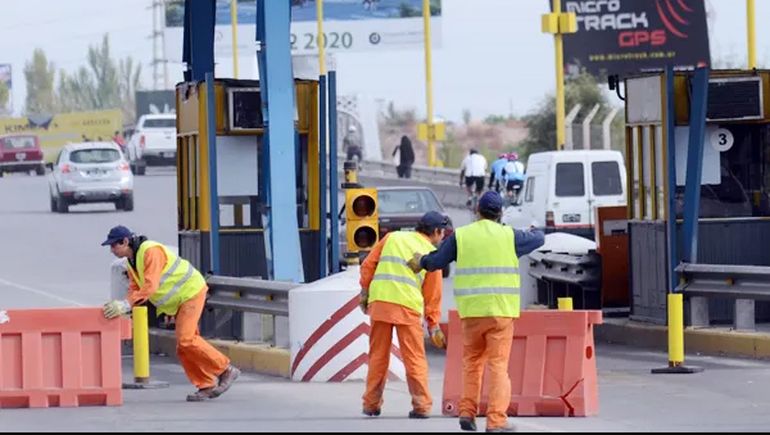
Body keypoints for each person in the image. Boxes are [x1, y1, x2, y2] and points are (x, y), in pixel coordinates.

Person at [407, 192, 544, 432]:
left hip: (471, 313)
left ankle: (467, 413)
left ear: (477, 211)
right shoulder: (509, 235)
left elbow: (437, 261)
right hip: (501, 313)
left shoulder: (462, 235)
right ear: (500, 214)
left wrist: (421, 261)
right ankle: (496, 420)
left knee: (472, 364)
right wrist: (535, 228)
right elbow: (538, 239)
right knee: (498, 366)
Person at [100, 225, 241, 402]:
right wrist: (123, 304)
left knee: (186, 339)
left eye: (114, 246)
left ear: (125, 241)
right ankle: (205, 385)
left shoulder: (150, 251)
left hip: (191, 292)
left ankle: (226, 369)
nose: (112, 250)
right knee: (183, 346)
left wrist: (126, 304)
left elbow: (150, 286)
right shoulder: (131, 262)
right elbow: (135, 287)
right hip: (180, 300)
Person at [359, 211, 449, 419]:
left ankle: (371, 404)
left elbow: (368, 265)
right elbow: (432, 295)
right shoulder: (431, 254)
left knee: (378, 357)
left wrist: (365, 292)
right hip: (406, 308)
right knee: (414, 358)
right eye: (442, 233)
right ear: (435, 232)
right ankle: (421, 405)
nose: (442, 237)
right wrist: (433, 324)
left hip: (380, 303)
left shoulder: (392, 237)